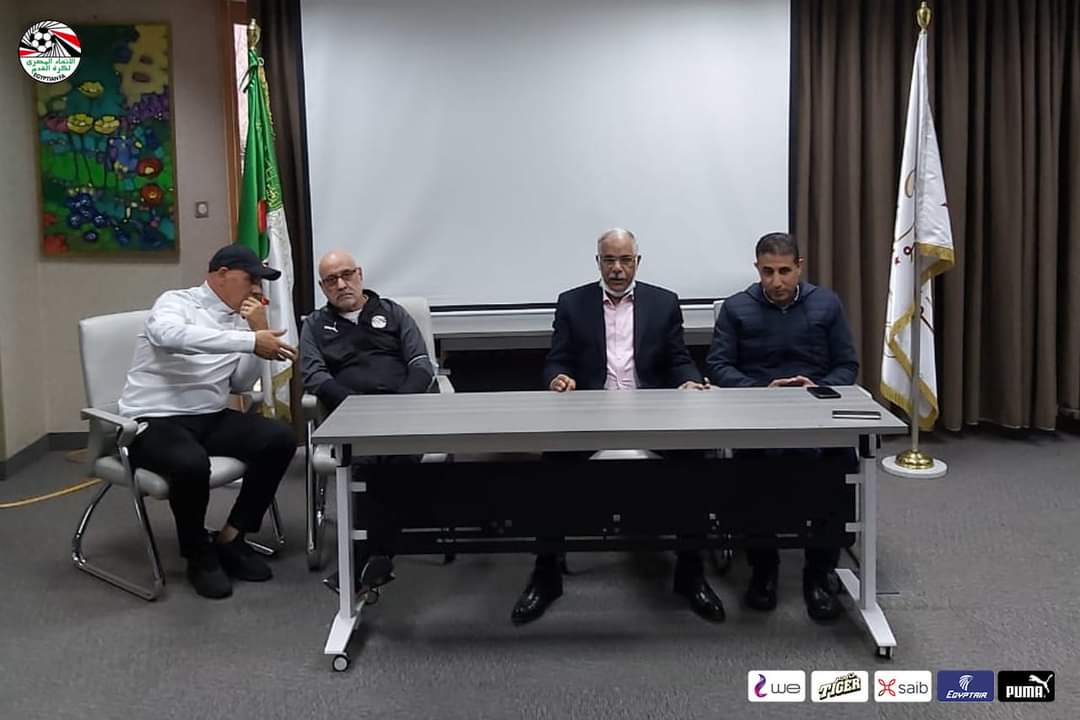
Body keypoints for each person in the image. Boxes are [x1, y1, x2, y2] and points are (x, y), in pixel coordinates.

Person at [511, 228, 725, 626]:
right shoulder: (572, 303)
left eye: (625, 260)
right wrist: (558, 377)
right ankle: (546, 573)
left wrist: (688, 381)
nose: (617, 269)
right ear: (598, 262)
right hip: (590, 414)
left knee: (694, 462)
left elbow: (678, 359)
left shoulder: (663, 302)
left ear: (637, 262)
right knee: (551, 466)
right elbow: (557, 359)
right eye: (609, 260)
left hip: (652, 413)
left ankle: (690, 573)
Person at [119, 244, 298, 599]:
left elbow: (241, 383)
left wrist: (256, 331)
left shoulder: (240, 322)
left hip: (209, 416)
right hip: (155, 417)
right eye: (250, 279)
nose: (256, 289)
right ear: (221, 274)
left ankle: (232, 537)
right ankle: (198, 553)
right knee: (190, 463)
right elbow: (169, 336)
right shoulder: (177, 302)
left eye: (260, 283)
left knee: (279, 438)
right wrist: (248, 340)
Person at [705, 231, 858, 621]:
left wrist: (817, 387)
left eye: (785, 271)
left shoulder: (826, 304)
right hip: (759, 415)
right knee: (754, 472)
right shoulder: (737, 308)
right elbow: (718, 366)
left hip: (816, 412)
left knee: (838, 466)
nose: (776, 281)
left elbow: (847, 366)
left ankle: (818, 571)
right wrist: (762, 390)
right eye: (768, 272)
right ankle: (764, 569)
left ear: (799, 267)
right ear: (757, 269)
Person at [300, 249, 436, 590]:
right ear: (322, 287)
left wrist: (399, 404)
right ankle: (375, 557)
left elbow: (421, 363)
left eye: (347, 275)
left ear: (360, 274)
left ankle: (366, 559)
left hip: (401, 411)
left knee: (396, 461)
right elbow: (314, 375)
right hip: (351, 415)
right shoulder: (315, 324)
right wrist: (356, 406)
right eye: (331, 280)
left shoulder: (393, 312)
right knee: (368, 463)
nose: (341, 284)